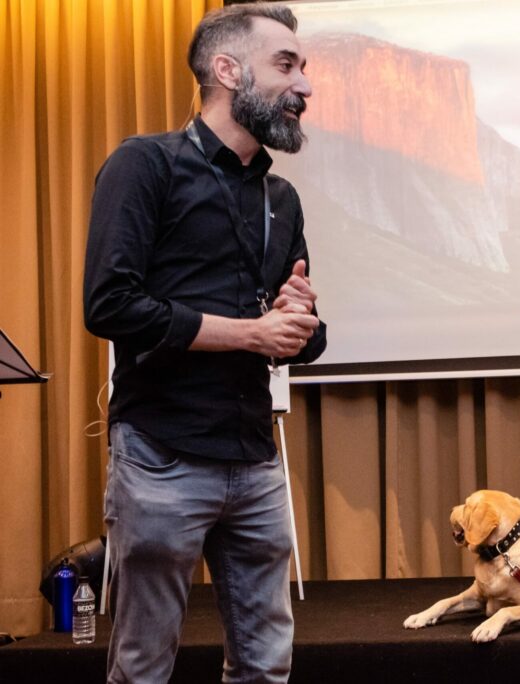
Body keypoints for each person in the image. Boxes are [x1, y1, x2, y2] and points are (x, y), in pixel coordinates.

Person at [83, 3, 325, 682]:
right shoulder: (145, 164)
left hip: (255, 461)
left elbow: (297, 336)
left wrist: (299, 324)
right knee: (143, 663)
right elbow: (110, 305)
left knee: (266, 662)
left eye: (303, 67)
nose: (304, 84)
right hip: (161, 456)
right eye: (286, 64)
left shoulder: (282, 197)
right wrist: (254, 332)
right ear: (227, 70)